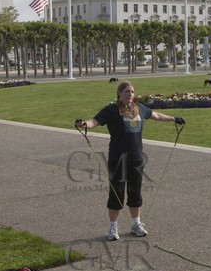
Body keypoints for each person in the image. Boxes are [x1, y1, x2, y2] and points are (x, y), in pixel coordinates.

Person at [77, 81, 184, 241]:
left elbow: (156, 115)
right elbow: (95, 121)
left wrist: (174, 119)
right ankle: (113, 227)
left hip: (136, 158)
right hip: (117, 158)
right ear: (119, 94)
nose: (130, 94)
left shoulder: (139, 108)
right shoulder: (111, 110)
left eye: (132, 91)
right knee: (116, 193)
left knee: (135, 192)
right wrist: (84, 124)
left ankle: (136, 224)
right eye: (127, 91)